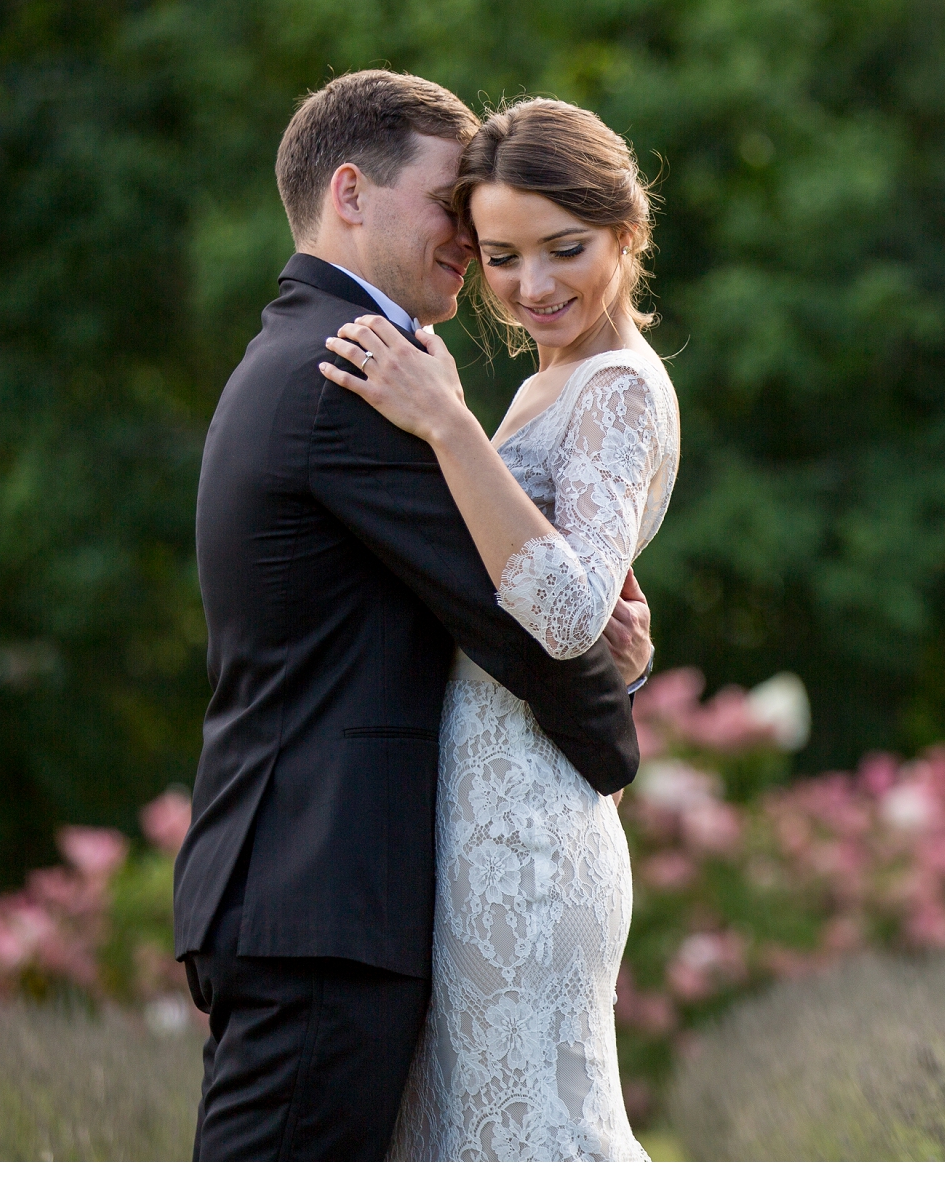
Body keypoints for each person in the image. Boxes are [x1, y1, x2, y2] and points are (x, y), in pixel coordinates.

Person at [173, 72, 652, 1161]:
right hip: (322, 899)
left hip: (308, 890)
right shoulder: (351, 372)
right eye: (450, 201)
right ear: (351, 191)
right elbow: (512, 617)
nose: (471, 227)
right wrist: (610, 724)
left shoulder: (323, 354)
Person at [317, 96, 679, 1162]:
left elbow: (566, 617)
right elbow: (545, 595)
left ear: (627, 230)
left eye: (565, 249)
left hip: (529, 834)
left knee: (535, 1145)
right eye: (505, 257)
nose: (533, 288)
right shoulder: (541, 387)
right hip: (472, 810)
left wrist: (444, 421)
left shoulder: (618, 389)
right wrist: (631, 659)